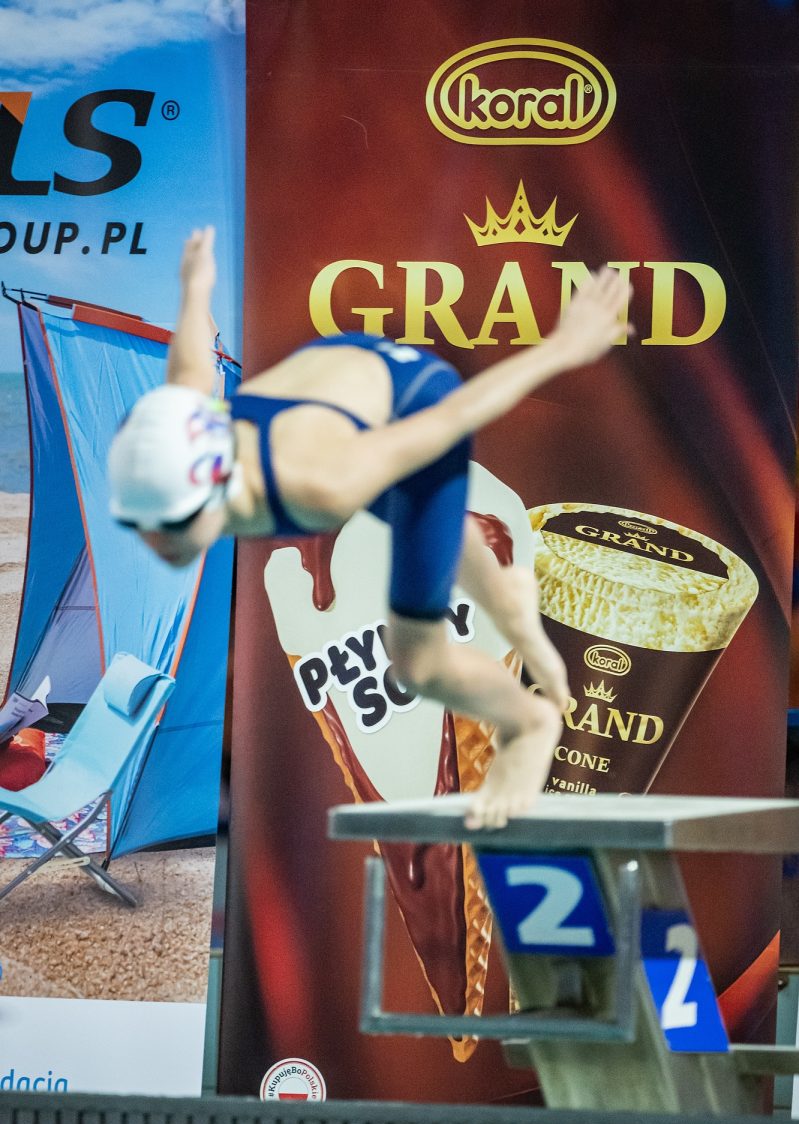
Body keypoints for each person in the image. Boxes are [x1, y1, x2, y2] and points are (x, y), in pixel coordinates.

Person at [109, 227, 632, 831]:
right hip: (335, 389)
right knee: (448, 544)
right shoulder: (188, 426)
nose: (154, 546)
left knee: (418, 664)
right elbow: (189, 370)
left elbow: (457, 414)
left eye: (167, 527)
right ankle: (516, 613)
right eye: (138, 525)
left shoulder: (320, 482)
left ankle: (528, 721)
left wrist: (564, 347)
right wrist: (195, 288)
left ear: (211, 493)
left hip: (414, 399)